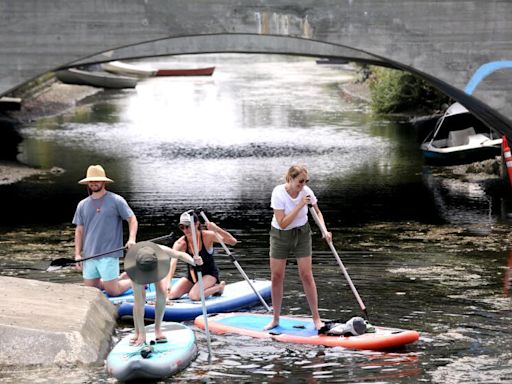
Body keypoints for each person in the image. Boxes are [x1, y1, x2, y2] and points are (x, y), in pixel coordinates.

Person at [265, 165, 332, 331]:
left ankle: (316, 319)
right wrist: (300, 205)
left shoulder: (307, 191)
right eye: (300, 181)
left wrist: (324, 230)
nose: (303, 185)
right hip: (280, 234)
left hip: (302, 233)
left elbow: (317, 212)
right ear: (290, 179)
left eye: (305, 181)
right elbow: (283, 222)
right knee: (277, 276)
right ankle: (275, 319)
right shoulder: (278, 193)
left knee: (306, 274)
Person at [73, 164, 138, 296]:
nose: (94, 183)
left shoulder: (116, 200)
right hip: (89, 255)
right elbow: (79, 230)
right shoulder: (82, 204)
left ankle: (136, 280)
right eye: (91, 180)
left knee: (113, 292)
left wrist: (131, 239)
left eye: (97, 180)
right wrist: (78, 254)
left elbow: (132, 220)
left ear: (103, 181)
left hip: (109, 253)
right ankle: (119, 279)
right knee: (92, 291)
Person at [124, 241, 193, 346]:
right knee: (140, 299)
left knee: (162, 292)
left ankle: (158, 330)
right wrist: (143, 334)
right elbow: (139, 302)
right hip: (138, 267)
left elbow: (180, 254)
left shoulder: (160, 250)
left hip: (155, 265)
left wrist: (195, 262)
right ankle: (137, 332)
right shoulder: (132, 265)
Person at [167, 210, 237, 301]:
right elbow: (172, 263)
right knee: (171, 295)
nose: (185, 230)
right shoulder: (180, 243)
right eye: (182, 227)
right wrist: (168, 282)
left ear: (196, 224)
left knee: (194, 296)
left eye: (188, 226)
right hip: (192, 277)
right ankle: (197, 287)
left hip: (209, 274)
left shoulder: (208, 236)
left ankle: (219, 287)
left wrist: (216, 229)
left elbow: (233, 242)